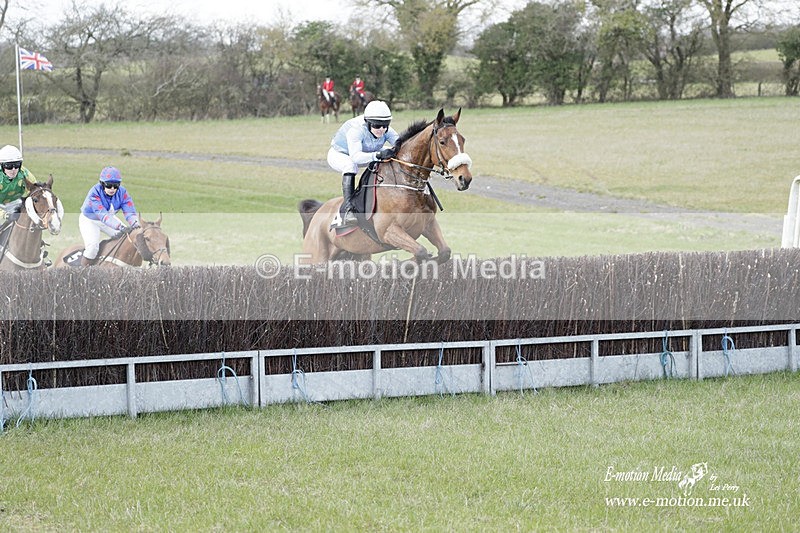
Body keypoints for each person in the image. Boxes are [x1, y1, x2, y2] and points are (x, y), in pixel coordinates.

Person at [327, 100, 399, 227]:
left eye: (385, 125)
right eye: (377, 126)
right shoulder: (356, 130)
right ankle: (349, 210)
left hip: (367, 151)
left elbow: (401, 145)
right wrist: (377, 155)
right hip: (342, 154)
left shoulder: (385, 129)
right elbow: (356, 157)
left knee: (390, 155)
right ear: (368, 123)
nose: (381, 130)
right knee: (350, 165)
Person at [79, 166, 140, 266]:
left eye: (116, 185)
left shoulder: (122, 193)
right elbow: (103, 216)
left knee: (126, 238)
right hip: (90, 220)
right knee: (92, 248)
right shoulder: (94, 194)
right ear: (102, 184)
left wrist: (135, 224)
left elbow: (129, 211)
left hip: (110, 218)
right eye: (109, 185)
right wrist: (120, 227)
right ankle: (83, 273)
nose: (112, 189)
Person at [0, 145, 36, 222]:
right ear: (1, 165)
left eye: (17, 165)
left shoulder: (24, 174)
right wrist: (5, 215)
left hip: (15, 203)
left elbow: (35, 190)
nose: (13, 169)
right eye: (8, 166)